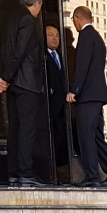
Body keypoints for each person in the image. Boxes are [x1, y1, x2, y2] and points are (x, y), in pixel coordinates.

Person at [0, 0, 49, 187]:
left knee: (15, 129)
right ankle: (26, 172)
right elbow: (21, 50)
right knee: (27, 129)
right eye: (40, 4)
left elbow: (4, 51)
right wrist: (6, 78)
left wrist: (4, 77)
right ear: (36, 4)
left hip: (15, 84)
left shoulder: (10, 19)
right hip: (26, 83)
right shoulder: (27, 20)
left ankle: (14, 172)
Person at [67, 6, 107, 187]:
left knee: (86, 136)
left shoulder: (85, 37)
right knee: (97, 136)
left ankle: (92, 176)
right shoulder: (97, 37)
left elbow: (82, 66)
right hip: (97, 96)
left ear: (77, 18)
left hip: (87, 97)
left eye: (73, 21)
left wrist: (74, 90)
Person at [44, 23, 71, 181]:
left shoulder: (61, 55)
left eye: (57, 35)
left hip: (62, 107)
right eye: (50, 35)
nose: (55, 38)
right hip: (50, 107)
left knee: (62, 139)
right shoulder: (42, 57)